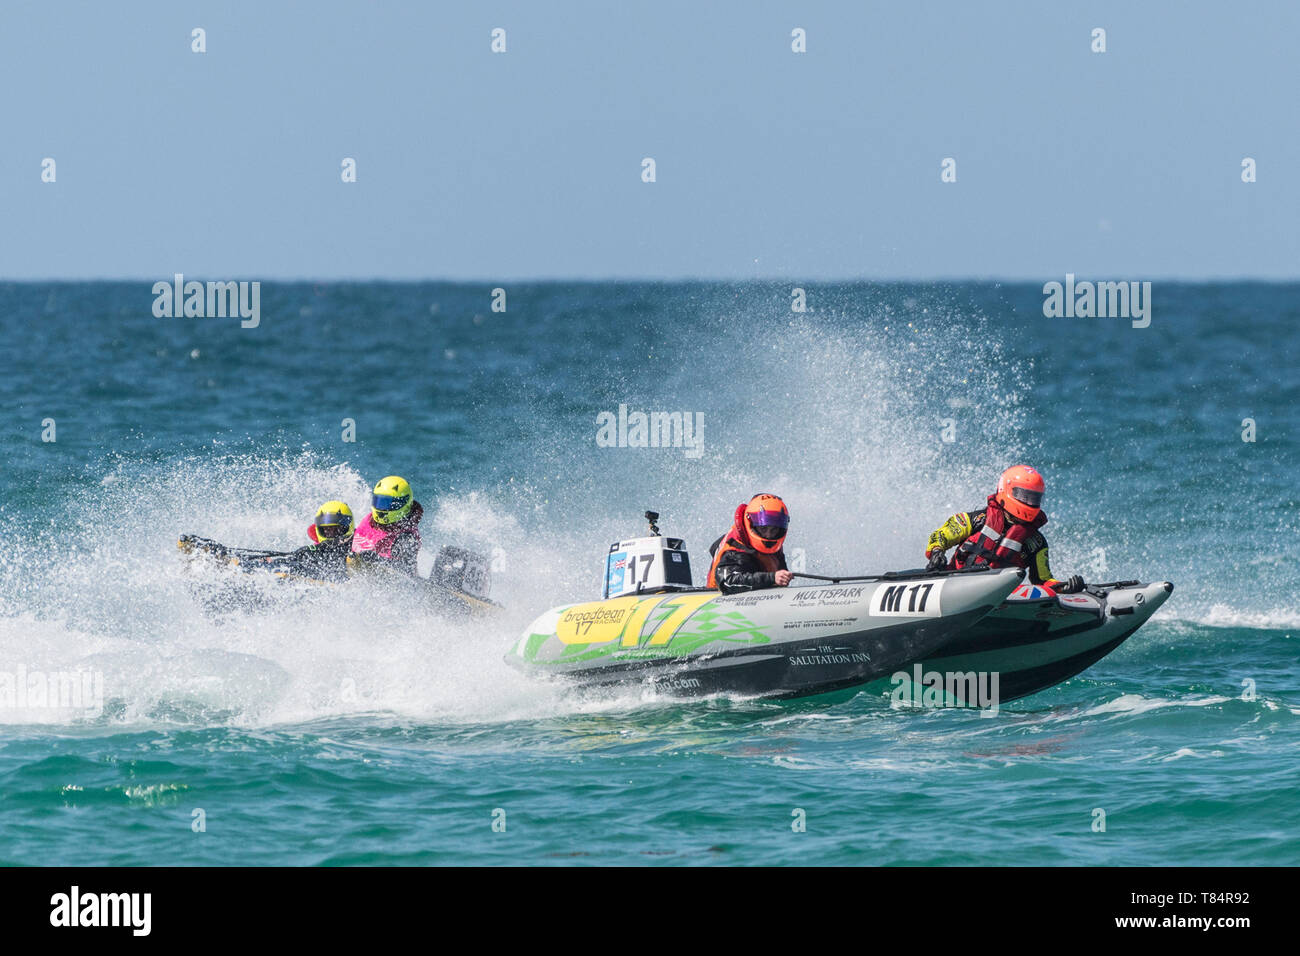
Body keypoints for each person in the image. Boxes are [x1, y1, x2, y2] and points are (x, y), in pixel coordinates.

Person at [924, 465, 1085, 592]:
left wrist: (1063, 587)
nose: (1029, 502)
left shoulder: (1036, 542)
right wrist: (937, 552)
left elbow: (1043, 580)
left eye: (1034, 498)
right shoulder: (977, 519)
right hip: (954, 583)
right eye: (1024, 496)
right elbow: (940, 536)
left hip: (1001, 596)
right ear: (1006, 490)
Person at [706, 493, 793, 594]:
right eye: (763, 528)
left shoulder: (774, 544)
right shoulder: (735, 547)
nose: (768, 535)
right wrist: (772, 578)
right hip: (721, 599)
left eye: (774, 530)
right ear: (751, 524)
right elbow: (727, 582)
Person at [262, 500, 354, 581]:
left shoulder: (357, 542)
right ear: (319, 529)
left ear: (348, 526)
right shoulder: (315, 551)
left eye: (337, 529)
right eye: (327, 529)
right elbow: (297, 560)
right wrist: (274, 562)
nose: (332, 533)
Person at [350, 475, 423, 575]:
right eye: (379, 502)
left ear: (404, 504)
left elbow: (405, 570)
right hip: (354, 567)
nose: (382, 509)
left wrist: (376, 559)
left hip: (391, 581)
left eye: (388, 505)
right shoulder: (370, 519)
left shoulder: (407, 537)